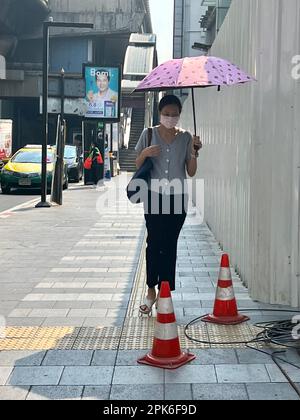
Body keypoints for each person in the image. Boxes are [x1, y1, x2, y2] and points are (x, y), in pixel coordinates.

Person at [135, 95, 203, 315]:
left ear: (179, 115)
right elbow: (137, 166)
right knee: (154, 243)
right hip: (154, 197)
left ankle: (166, 291)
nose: (170, 118)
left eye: (175, 114)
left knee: (169, 244)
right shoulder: (149, 134)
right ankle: (151, 290)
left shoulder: (185, 138)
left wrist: (194, 151)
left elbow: (191, 171)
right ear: (160, 113)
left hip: (177, 198)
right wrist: (145, 153)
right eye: (167, 113)